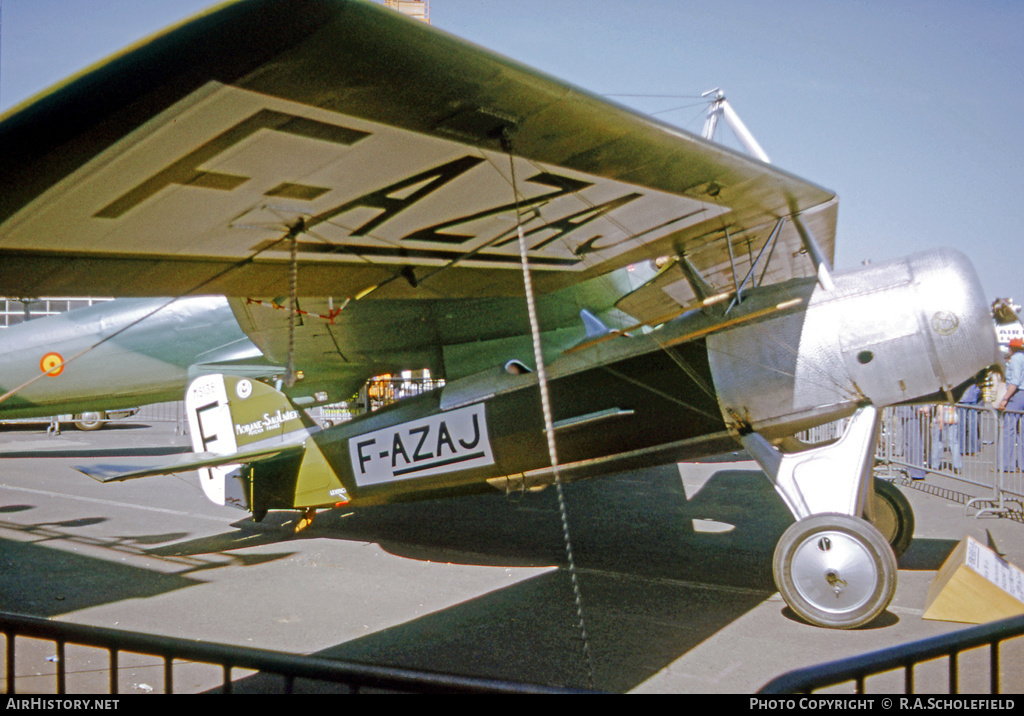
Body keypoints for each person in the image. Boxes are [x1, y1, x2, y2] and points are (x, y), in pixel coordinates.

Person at [997, 338, 1024, 470]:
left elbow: (1015, 381)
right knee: (1022, 431)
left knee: (1008, 430)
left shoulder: (1015, 359)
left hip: (1017, 394)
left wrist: (1005, 397)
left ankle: (1006, 464)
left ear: (1011, 348)